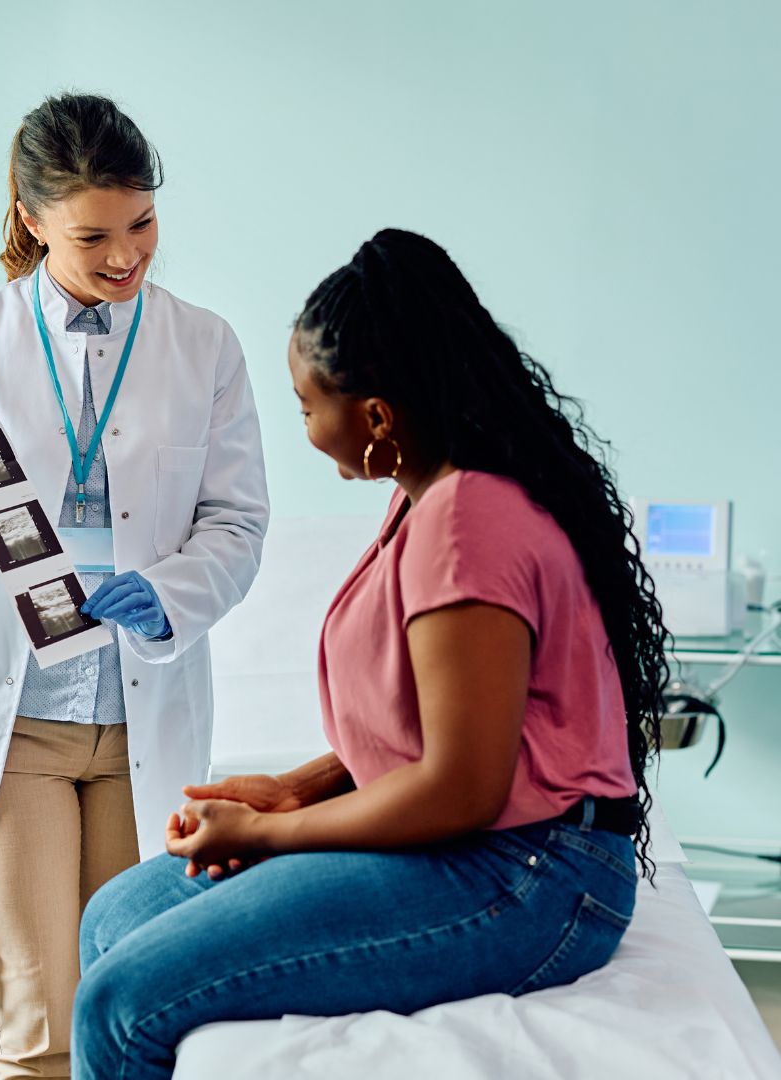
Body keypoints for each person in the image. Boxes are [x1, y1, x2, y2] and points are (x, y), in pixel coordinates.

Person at [71, 229, 669, 1079]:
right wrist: (288, 793)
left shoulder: (468, 522)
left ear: (377, 417)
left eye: (308, 405)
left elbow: (461, 786)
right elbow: (428, 729)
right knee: (113, 917)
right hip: (479, 840)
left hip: (533, 874)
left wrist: (276, 837)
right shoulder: (422, 498)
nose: (307, 426)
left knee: (119, 1008)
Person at [0, 93, 269, 1078]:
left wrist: (170, 590)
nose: (128, 256)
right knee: (42, 1025)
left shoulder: (204, 345)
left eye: (143, 225)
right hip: (17, 728)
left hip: (144, 712)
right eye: (95, 236)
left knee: (128, 1007)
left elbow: (238, 523)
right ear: (34, 219)